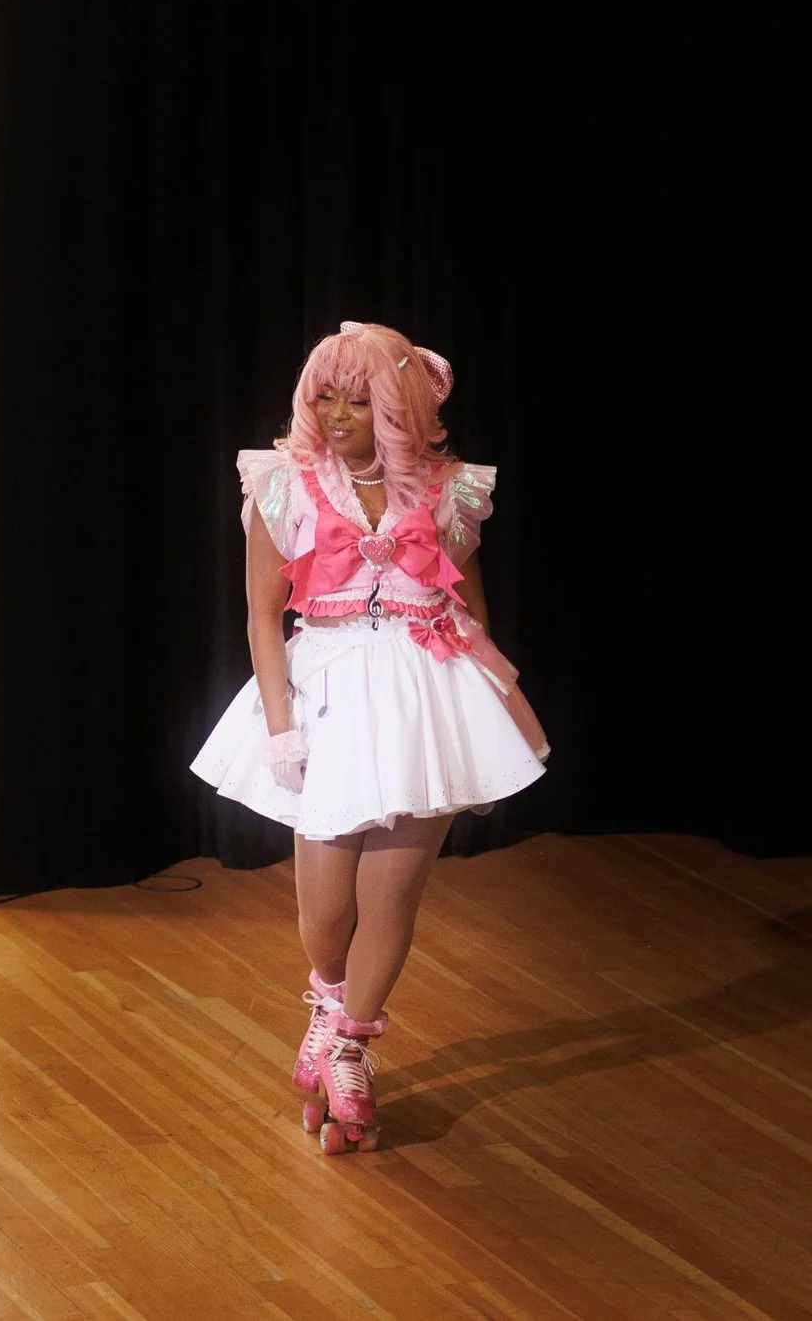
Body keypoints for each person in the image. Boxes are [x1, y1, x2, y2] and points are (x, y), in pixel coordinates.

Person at [191, 321, 549, 1154]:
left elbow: (469, 603)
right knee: (329, 903)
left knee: (395, 896)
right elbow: (261, 614)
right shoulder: (282, 484)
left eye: (361, 398)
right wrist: (280, 725)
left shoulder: (448, 491)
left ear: (398, 407)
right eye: (327, 395)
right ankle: (325, 999)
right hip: (329, 693)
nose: (340, 412)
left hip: (425, 693)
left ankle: (351, 1044)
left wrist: (484, 703)